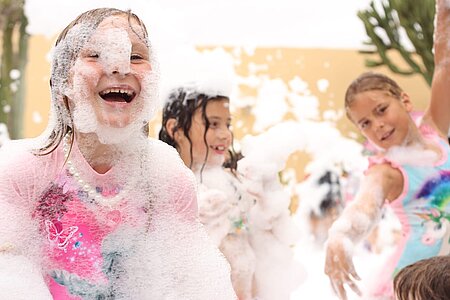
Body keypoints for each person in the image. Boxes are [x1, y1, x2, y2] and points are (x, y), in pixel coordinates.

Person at [0, 8, 236, 299]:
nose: (120, 67)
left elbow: (189, 284)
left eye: (136, 57)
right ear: (65, 77)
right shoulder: (24, 171)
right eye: (96, 54)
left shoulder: (168, 179)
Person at [324, 1, 450, 299]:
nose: (377, 125)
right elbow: (364, 206)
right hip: (415, 284)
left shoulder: (434, 127)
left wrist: (444, 10)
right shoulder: (387, 171)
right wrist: (341, 235)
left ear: (405, 101)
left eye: (382, 110)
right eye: (365, 123)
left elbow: (445, 62)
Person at [159, 83, 303, 299]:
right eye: (214, 124)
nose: (226, 134)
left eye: (228, 124)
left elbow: (263, 245)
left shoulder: (233, 181)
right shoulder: (165, 185)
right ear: (176, 130)